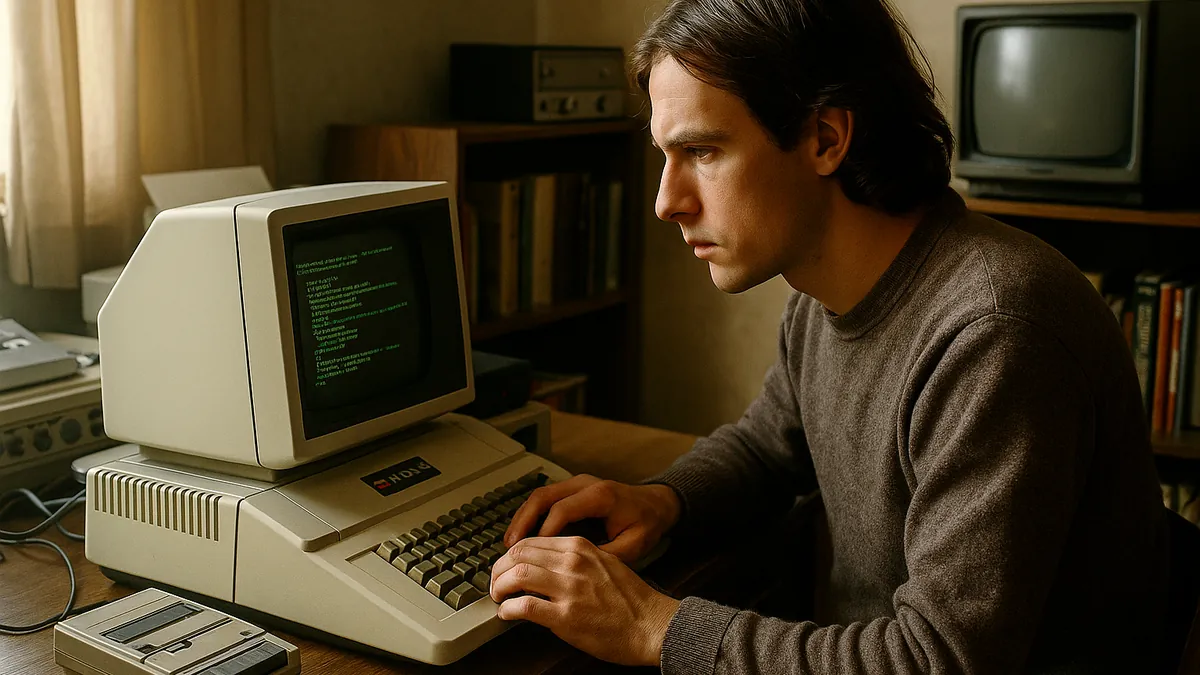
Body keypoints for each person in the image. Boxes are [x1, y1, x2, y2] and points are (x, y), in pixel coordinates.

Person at [490, 0, 1169, 672]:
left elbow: (942, 660)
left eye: (701, 150)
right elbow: (767, 448)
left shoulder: (995, 332)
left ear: (825, 139)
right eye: (667, 156)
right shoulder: (824, 293)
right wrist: (663, 500)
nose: (668, 200)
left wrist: (654, 626)